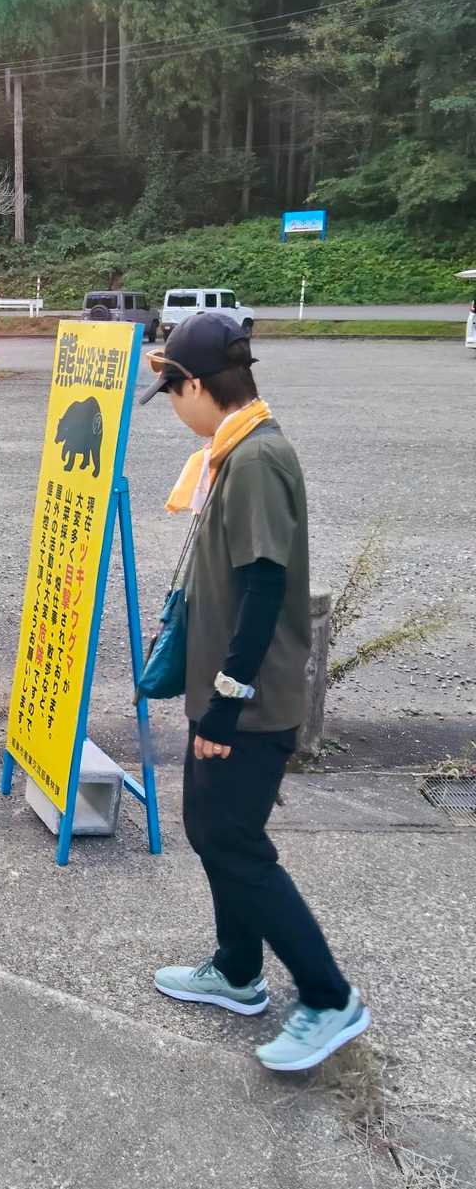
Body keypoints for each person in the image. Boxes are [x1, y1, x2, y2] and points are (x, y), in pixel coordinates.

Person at [139, 312, 369, 1071]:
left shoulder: (259, 459)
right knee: (211, 829)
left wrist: (226, 703)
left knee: (234, 842)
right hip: (224, 693)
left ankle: (329, 996)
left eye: (172, 393)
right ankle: (238, 971)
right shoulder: (234, 451)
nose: (173, 409)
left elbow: (266, 585)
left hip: (247, 701)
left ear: (196, 385)